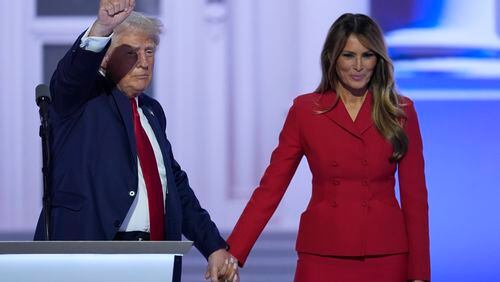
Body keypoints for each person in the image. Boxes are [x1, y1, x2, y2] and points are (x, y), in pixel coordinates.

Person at [33, 1, 238, 281]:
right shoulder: (82, 100)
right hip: (93, 256)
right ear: (105, 58)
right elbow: (71, 76)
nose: (143, 61)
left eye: (149, 51)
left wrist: (213, 246)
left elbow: (174, 185)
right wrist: (103, 27)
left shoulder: (151, 111)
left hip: (154, 258)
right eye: (131, 53)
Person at [224, 13, 430, 282]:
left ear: (378, 59)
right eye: (348, 55)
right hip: (322, 255)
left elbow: (416, 200)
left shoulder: (400, 111)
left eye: (367, 55)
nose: (358, 66)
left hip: (386, 256)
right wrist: (233, 253)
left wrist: (420, 274)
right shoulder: (306, 111)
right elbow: (270, 189)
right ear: (332, 58)